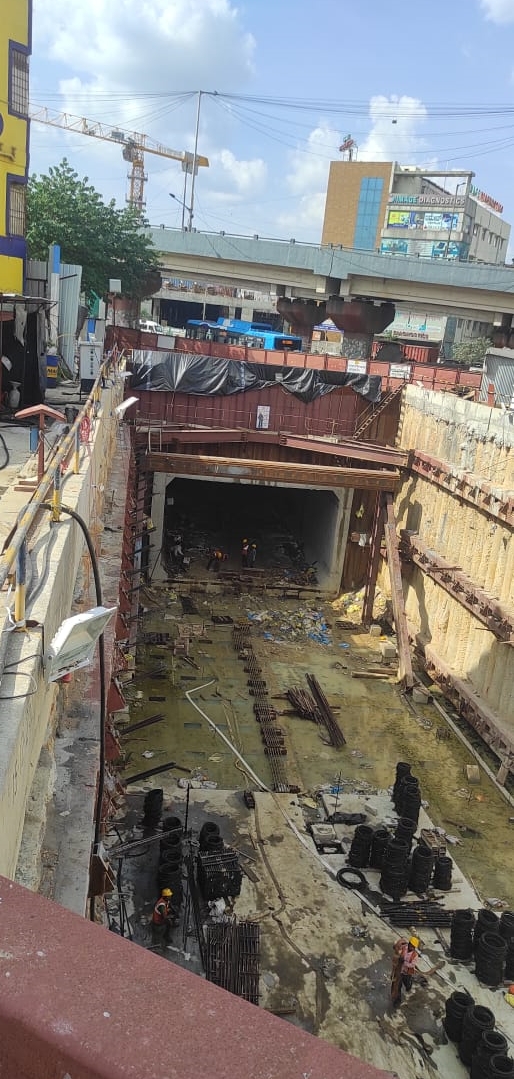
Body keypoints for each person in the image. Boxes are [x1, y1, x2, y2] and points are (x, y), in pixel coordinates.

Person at [391, 936, 420, 1008]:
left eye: (413, 947)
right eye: (411, 945)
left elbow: (412, 965)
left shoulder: (415, 955)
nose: (411, 947)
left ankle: (409, 985)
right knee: (398, 986)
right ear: (409, 944)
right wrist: (395, 947)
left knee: (407, 984)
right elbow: (397, 947)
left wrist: (404, 962)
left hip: (407, 973)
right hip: (400, 971)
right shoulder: (404, 948)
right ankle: (397, 1000)